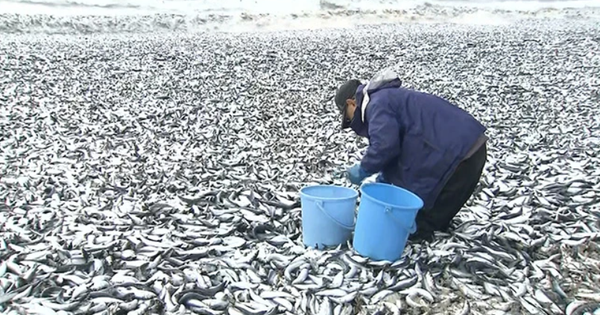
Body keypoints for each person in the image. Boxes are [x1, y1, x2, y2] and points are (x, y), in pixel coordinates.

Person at [334, 68, 488, 241]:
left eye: (346, 117)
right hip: (465, 148)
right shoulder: (384, 99)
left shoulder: (377, 105)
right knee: (427, 217)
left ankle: (430, 258)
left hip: (461, 154)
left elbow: (385, 146)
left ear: (351, 103)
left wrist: (363, 169)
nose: (349, 122)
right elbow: (396, 148)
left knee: (423, 225)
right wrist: (385, 179)